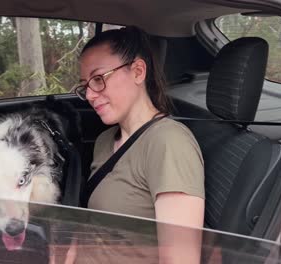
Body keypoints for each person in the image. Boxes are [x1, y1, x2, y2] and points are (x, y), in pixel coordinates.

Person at [70, 25, 205, 263]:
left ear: (138, 71)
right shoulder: (105, 140)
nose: (90, 94)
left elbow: (179, 260)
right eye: (85, 85)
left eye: (99, 79)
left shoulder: (169, 143)